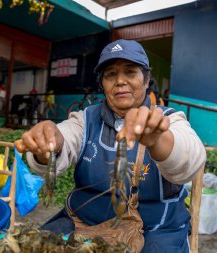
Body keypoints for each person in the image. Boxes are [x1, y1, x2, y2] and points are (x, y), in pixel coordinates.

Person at [15, 39, 206, 252]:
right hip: (83, 223)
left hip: (157, 231)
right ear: (103, 83)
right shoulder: (84, 119)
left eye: (130, 72)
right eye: (110, 74)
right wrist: (50, 144)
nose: (120, 81)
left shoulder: (171, 119)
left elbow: (191, 159)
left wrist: (158, 139)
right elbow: (66, 138)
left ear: (146, 79)